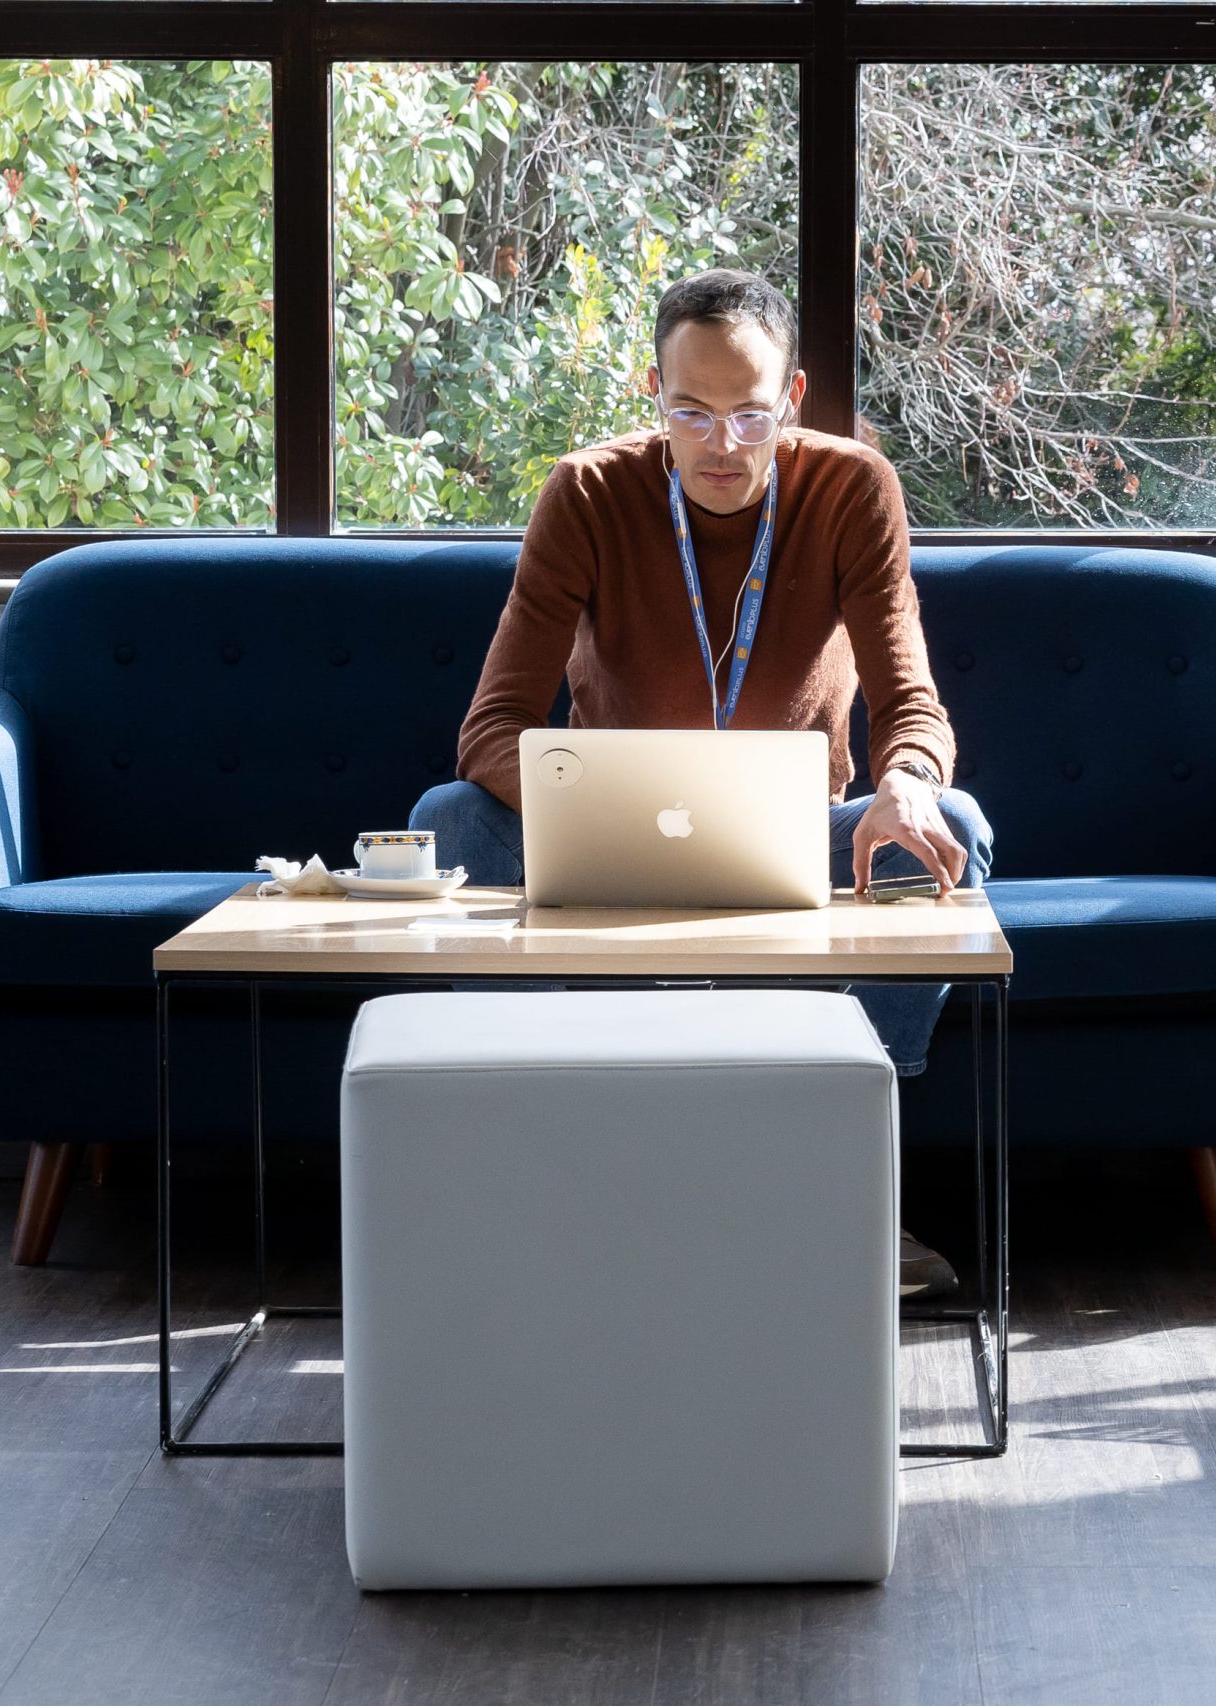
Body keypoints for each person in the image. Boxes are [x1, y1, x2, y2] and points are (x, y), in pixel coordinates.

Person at [410, 268, 992, 1298]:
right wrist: (614, 801)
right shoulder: (588, 491)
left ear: (793, 398)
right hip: (611, 847)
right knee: (447, 821)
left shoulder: (852, 488)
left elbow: (914, 704)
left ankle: (845, 1174)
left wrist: (907, 779)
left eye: (750, 415)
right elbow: (488, 731)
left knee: (956, 825)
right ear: (653, 393)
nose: (722, 445)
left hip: (794, 844)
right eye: (691, 412)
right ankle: (556, 1169)